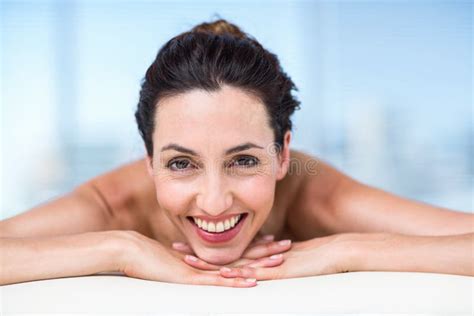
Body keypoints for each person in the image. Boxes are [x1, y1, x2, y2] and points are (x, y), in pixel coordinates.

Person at [1, 19, 472, 287]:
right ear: (148, 161)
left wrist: (346, 249)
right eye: (180, 163)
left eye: (244, 160)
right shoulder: (110, 206)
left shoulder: (317, 195)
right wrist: (121, 247)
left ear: (283, 154)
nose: (213, 202)